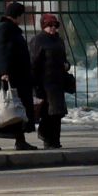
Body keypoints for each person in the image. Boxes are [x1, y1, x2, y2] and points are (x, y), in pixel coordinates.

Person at [0, 0, 36, 150]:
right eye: (21, 15)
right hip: (6, 77)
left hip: (16, 76)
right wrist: (4, 72)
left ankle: (20, 140)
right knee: (2, 108)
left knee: (15, 108)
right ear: (16, 15)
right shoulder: (5, 29)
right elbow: (1, 51)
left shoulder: (10, 29)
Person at [29, 11, 72, 149]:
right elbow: (33, 63)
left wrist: (66, 65)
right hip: (45, 82)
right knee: (48, 112)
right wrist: (35, 84)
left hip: (58, 81)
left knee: (57, 113)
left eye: (55, 25)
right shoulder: (38, 40)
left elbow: (64, 59)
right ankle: (47, 137)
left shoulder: (59, 40)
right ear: (43, 26)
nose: (53, 28)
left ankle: (55, 140)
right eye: (49, 25)